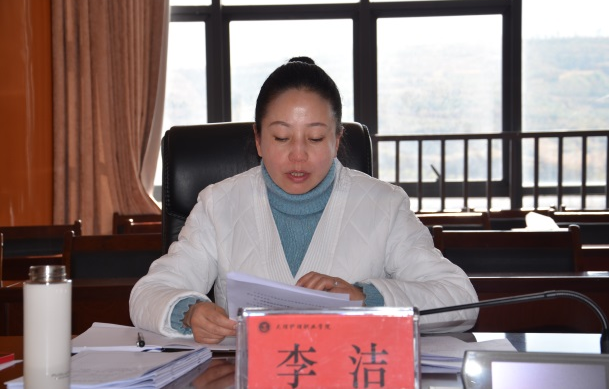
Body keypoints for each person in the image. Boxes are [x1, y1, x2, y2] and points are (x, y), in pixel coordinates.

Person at [130, 57, 478, 343]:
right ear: (258, 139)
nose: (298, 155)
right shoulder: (218, 204)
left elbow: (460, 301)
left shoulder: (384, 205)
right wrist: (189, 312)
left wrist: (365, 298)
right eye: (282, 138)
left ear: (337, 140)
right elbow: (148, 293)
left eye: (315, 138)